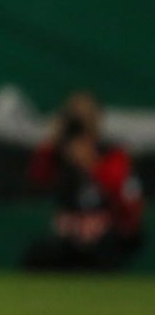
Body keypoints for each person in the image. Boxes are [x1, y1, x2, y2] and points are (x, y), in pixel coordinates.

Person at [24, 92, 145, 271]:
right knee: (38, 257)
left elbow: (128, 203)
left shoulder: (113, 154)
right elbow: (37, 178)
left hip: (106, 237)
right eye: (74, 116)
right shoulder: (57, 155)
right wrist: (52, 141)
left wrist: (91, 164)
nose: (80, 124)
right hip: (67, 235)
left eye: (86, 117)